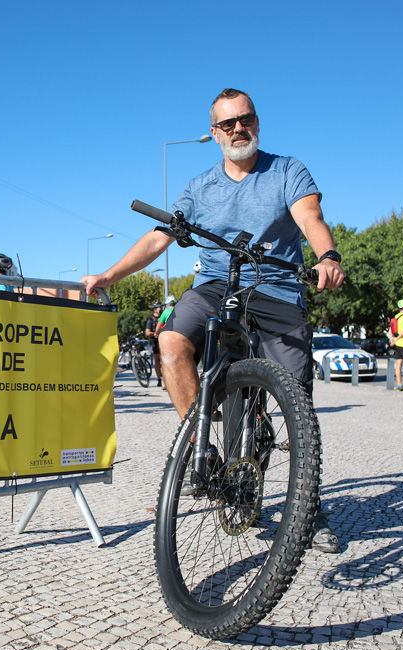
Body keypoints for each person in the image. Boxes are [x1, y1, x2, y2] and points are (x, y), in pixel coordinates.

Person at [81, 88, 345, 553]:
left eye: (245, 119)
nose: (238, 129)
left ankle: (309, 506)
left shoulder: (287, 170)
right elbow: (159, 237)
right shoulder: (200, 187)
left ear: (257, 123)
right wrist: (109, 276)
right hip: (217, 285)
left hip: (276, 286)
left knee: (296, 397)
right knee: (171, 341)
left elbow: (311, 217)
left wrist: (327, 256)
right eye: (227, 124)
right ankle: (201, 449)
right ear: (215, 133)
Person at [144, 302, 164, 387]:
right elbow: (147, 332)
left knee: (164, 361)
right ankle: (159, 379)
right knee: (157, 360)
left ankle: (165, 379)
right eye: (159, 307)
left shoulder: (164, 317)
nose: (161, 309)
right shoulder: (151, 320)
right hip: (155, 342)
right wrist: (156, 333)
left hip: (164, 341)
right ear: (155, 309)